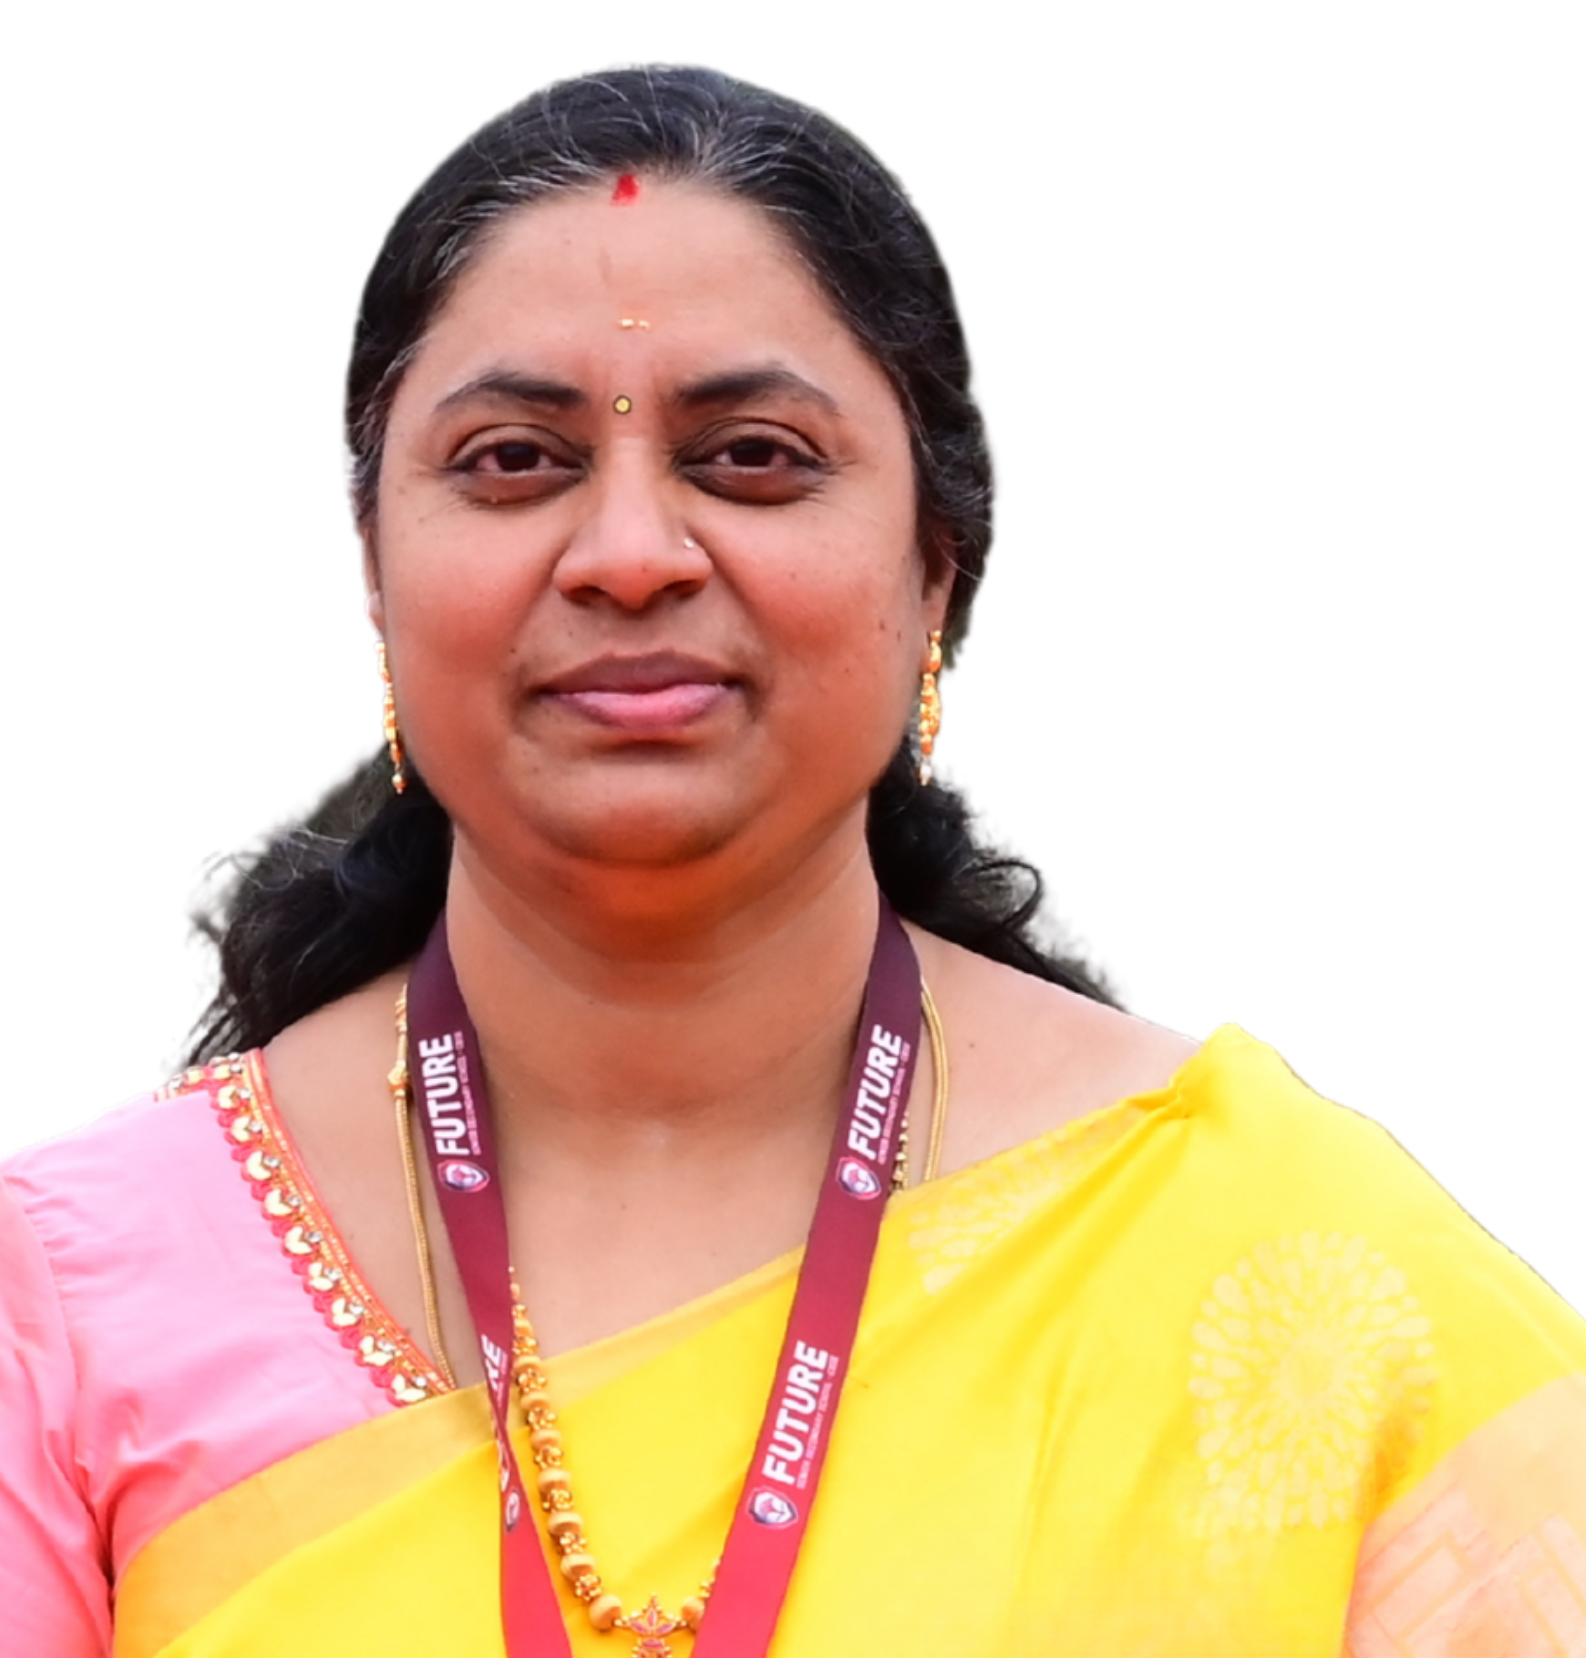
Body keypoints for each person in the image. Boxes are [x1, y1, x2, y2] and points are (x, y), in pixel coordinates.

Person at [2, 65, 1583, 1658]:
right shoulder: (72, 1299)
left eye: (751, 456)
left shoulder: (1285, 1266)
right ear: (374, 566)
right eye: (514, 459)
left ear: (935, 567)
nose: (629, 555)